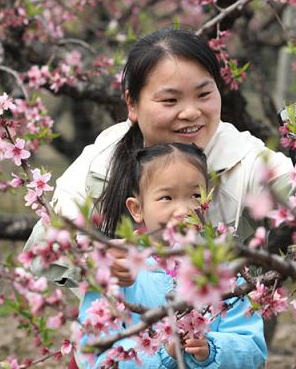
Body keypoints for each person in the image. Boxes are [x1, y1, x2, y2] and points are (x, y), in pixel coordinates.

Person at [24, 27, 296, 288]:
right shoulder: (102, 161)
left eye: (203, 94)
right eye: (170, 101)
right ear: (132, 104)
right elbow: (43, 251)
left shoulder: (242, 157)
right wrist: (94, 262)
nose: (191, 112)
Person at [77, 143, 267, 369]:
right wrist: (163, 354)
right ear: (137, 208)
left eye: (195, 195)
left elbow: (253, 349)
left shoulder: (223, 269)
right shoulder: (117, 269)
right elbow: (97, 358)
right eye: (166, 197)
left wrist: (211, 349)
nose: (183, 210)